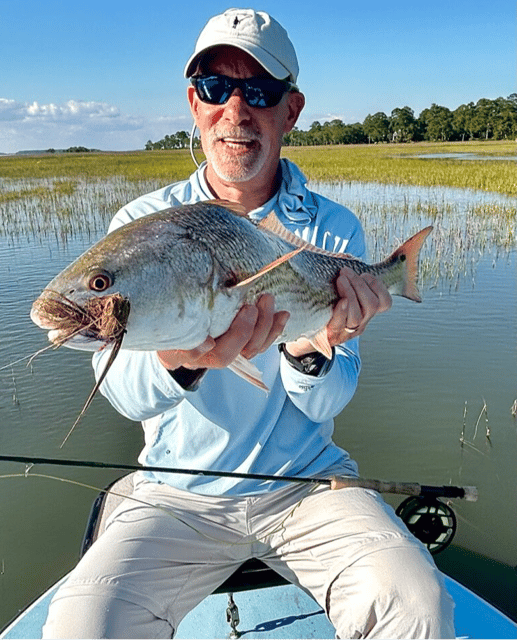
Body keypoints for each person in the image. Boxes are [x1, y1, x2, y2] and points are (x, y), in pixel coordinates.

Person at [42, 8, 455, 639]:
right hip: (175, 492)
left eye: (259, 92)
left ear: (291, 110)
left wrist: (316, 349)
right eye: (215, 88)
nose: (236, 110)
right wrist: (177, 360)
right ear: (193, 102)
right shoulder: (143, 223)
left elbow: (328, 402)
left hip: (307, 483)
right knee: (80, 627)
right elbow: (123, 397)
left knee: (416, 604)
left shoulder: (330, 230)